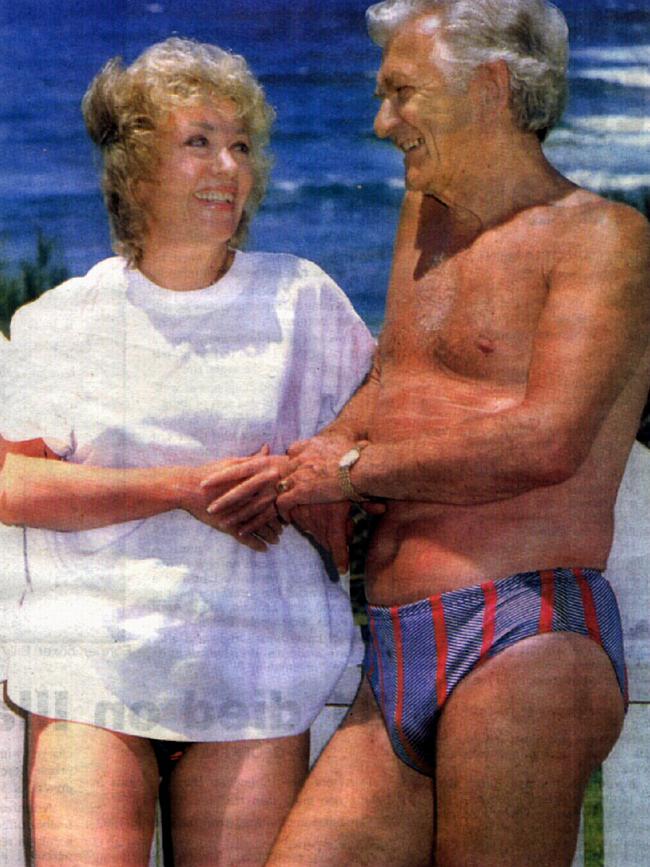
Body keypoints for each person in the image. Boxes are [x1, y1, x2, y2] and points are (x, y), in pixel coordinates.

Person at [207, 2, 650, 864]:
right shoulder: (429, 220)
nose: (382, 125)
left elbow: (547, 440)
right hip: (396, 649)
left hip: (525, 631)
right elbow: (396, 380)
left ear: (490, 88)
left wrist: (351, 470)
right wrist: (308, 461)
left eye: (403, 94)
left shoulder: (605, 239)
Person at [0, 38, 374, 867]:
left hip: (253, 662)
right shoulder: (64, 319)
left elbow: (372, 429)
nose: (229, 167)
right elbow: (9, 480)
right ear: (135, 168)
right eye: (197, 141)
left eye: (241, 145)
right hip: (93, 669)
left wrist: (309, 472)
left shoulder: (302, 297)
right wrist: (182, 488)